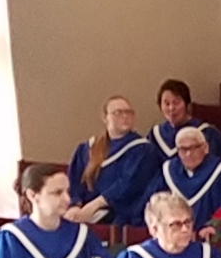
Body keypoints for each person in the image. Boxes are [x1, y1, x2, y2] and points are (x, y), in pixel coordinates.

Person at [67, 96, 159, 226]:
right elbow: (75, 181)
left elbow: (128, 184)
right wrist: (75, 205)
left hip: (118, 218)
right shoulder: (88, 148)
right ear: (105, 118)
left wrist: (96, 205)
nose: (125, 116)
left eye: (129, 112)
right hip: (84, 214)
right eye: (118, 112)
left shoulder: (143, 150)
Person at [147, 126, 221, 232]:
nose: (188, 154)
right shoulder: (168, 171)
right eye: (183, 149)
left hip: (209, 236)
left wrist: (216, 227)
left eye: (194, 148)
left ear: (205, 148)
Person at [149, 79, 221, 160]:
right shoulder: (155, 135)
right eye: (167, 104)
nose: (171, 108)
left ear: (187, 104)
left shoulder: (206, 133)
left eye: (176, 102)